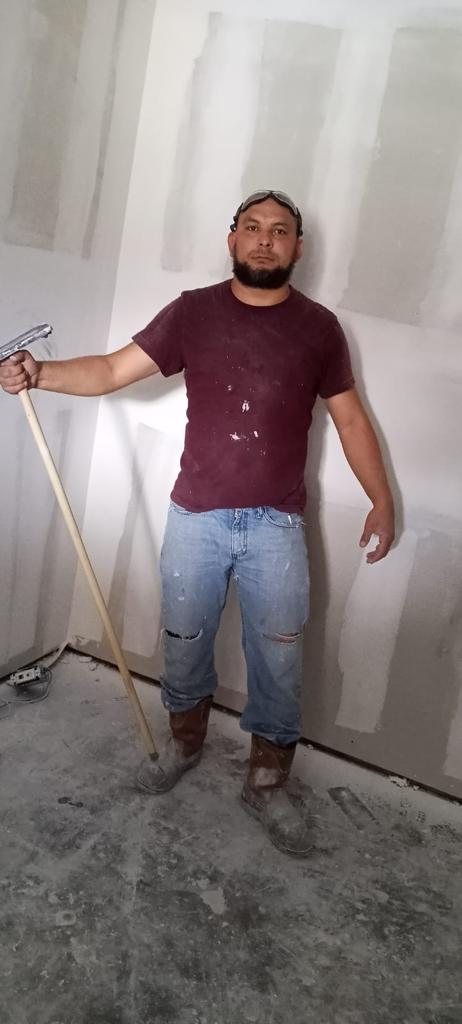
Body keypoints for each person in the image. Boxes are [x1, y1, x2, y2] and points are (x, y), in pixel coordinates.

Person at [0, 190, 394, 857]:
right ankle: (185, 742)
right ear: (232, 238)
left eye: (280, 230)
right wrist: (39, 373)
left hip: (276, 524)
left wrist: (382, 499)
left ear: (298, 247)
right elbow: (111, 369)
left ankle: (266, 780)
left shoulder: (320, 328)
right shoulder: (193, 312)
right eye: (253, 227)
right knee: (184, 638)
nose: (265, 239)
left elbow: (351, 419)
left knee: (280, 653)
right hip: (196, 518)